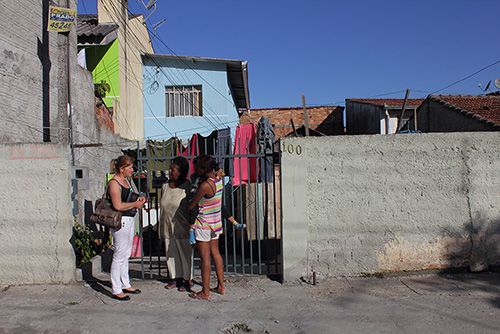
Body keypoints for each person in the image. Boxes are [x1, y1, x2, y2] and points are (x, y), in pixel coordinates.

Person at [107, 155, 146, 301]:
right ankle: (116, 288)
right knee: (119, 255)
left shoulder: (127, 181)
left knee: (126, 254)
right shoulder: (114, 183)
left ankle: (125, 283)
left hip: (129, 219)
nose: (132, 169)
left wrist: (138, 201)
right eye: (129, 167)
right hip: (120, 221)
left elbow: (128, 199)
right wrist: (135, 205)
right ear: (122, 169)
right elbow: (118, 205)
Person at [187, 155, 225, 300]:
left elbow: (192, 204)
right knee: (216, 253)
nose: (196, 170)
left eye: (198, 167)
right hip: (216, 223)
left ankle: (205, 292)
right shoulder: (219, 180)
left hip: (204, 224)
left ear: (204, 169)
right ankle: (221, 286)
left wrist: (189, 204)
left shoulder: (205, 185)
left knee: (205, 259)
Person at [159, 157, 194, 292]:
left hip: (182, 225)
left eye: (173, 169)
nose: (170, 171)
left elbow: (192, 206)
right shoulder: (165, 186)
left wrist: (191, 224)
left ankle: (187, 280)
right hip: (167, 225)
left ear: (181, 171)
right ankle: (175, 278)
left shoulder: (187, 186)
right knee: (170, 252)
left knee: (184, 253)